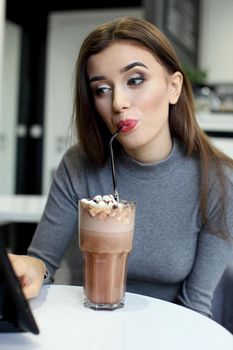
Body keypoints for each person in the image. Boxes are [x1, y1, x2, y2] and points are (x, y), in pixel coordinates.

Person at [9, 17, 233, 321]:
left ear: (174, 87)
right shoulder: (80, 164)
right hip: (88, 328)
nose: (118, 102)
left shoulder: (219, 179)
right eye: (101, 89)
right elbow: (42, 262)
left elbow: (196, 307)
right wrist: (28, 268)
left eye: (135, 80)